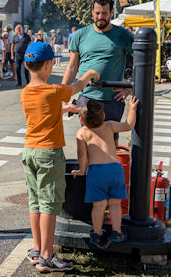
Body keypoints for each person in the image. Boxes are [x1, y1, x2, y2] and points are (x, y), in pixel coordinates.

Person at [20, 41, 100, 273]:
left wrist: (64, 110)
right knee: (49, 205)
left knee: (35, 202)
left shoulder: (26, 93)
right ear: (48, 65)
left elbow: (42, 110)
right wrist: (89, 74)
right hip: (49, 154)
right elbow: (76, 86)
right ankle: (47, 256)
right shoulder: (54, 90)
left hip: (30, 151)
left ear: (26, 65)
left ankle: (37, 250)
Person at [62, 0, 134, 146]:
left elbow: (142, 63)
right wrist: (62, 91)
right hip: (87, 97)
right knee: (88, 141)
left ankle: (110, 169)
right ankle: (87, 170)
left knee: (110, 143)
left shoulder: (123, 35)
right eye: (97, 13)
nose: (100, 17)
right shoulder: (81, 35)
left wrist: (129, 88)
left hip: (112, 98)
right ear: (92, 12)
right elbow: (72, 66)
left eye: (105, 13)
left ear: (111, 13)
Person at [71, 97, 138, 245]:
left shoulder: (82, 133)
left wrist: (82, 170)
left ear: (82, 119)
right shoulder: (109, 125)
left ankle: (97, 233)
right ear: (103, 115)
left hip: (96, 172)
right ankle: (117, 232)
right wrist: (132, 109)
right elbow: (128, 125)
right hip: (115, 169)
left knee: (98, 205)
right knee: (115, 204)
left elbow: (82, 154)